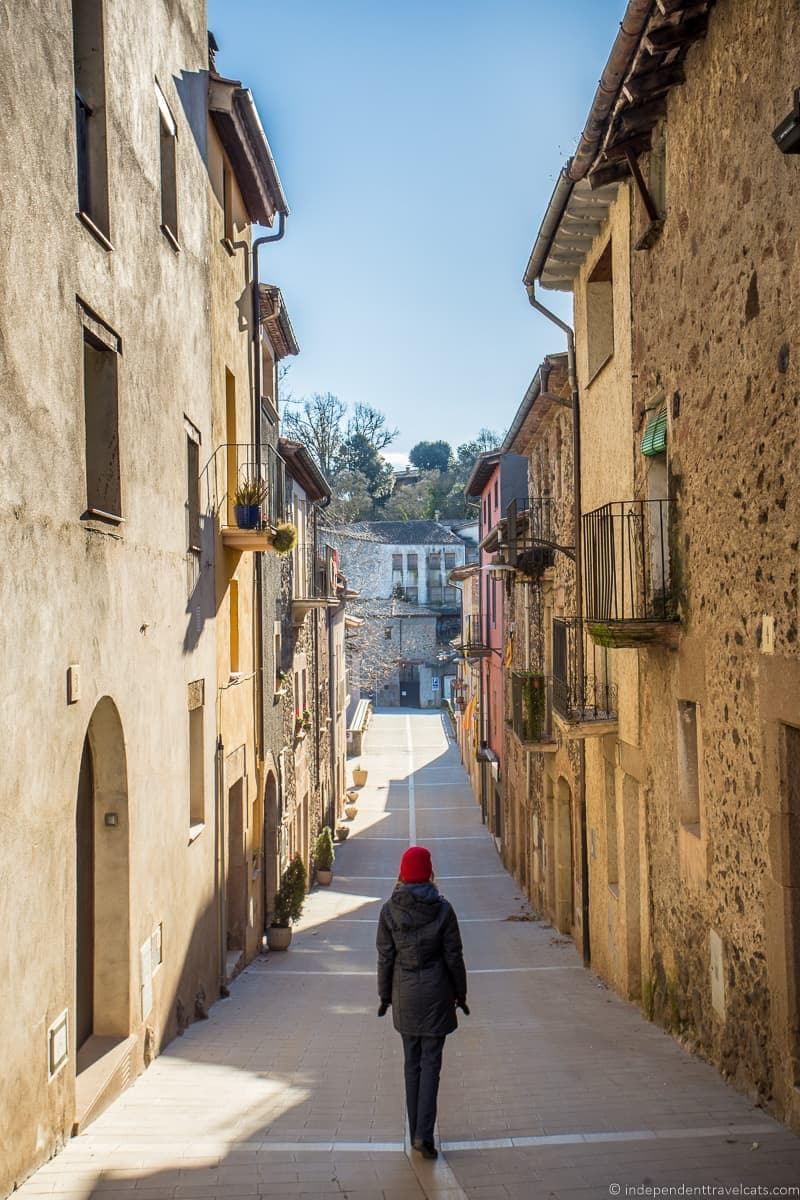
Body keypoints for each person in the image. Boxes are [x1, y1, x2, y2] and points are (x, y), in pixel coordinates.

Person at [376, 845, 468, 1160]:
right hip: (437, 994)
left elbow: (385, 957)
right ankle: (423, 1135)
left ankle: (416, 1129)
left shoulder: (389, 910)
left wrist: (384, 996)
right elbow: (454, 957)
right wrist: (461, 993)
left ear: (402, 873)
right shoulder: (443, 910)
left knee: (410, 1065)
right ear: (429, 873)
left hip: (405, 995)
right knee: (431, 1064)